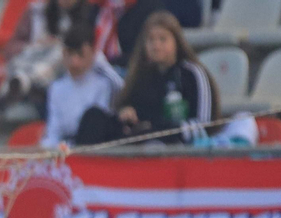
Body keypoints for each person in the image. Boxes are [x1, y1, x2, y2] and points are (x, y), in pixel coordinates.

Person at [75, 10, 216, 146]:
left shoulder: (192, 74)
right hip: (136, 138)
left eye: (162, 39)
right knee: (93, 118)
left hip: (169, 144)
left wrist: (156, 130)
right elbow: (127, 111)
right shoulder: (140, 75)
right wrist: (125, 112)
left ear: (177, 42)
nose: (156, 45)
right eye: (151, 39)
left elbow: (204, 126)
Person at [0, 0, 98, 116]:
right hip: (31, 61)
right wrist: (36, 45)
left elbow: (83, 48)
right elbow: (12, 47)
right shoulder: (37, 11)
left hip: (61, 74)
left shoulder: (89, 13)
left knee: (57, 53)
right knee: (22, 60)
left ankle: (20, 86)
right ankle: (5, 96)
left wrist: (59, 44)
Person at [43, 26, 122, 148]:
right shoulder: (56, 88)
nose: (74, 62)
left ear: (93, 53)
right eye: (70, 54)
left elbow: (97, 128)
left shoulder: (104, 84)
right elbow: (54, 131)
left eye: (81, 55)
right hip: (65, 149)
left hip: (94, 148)